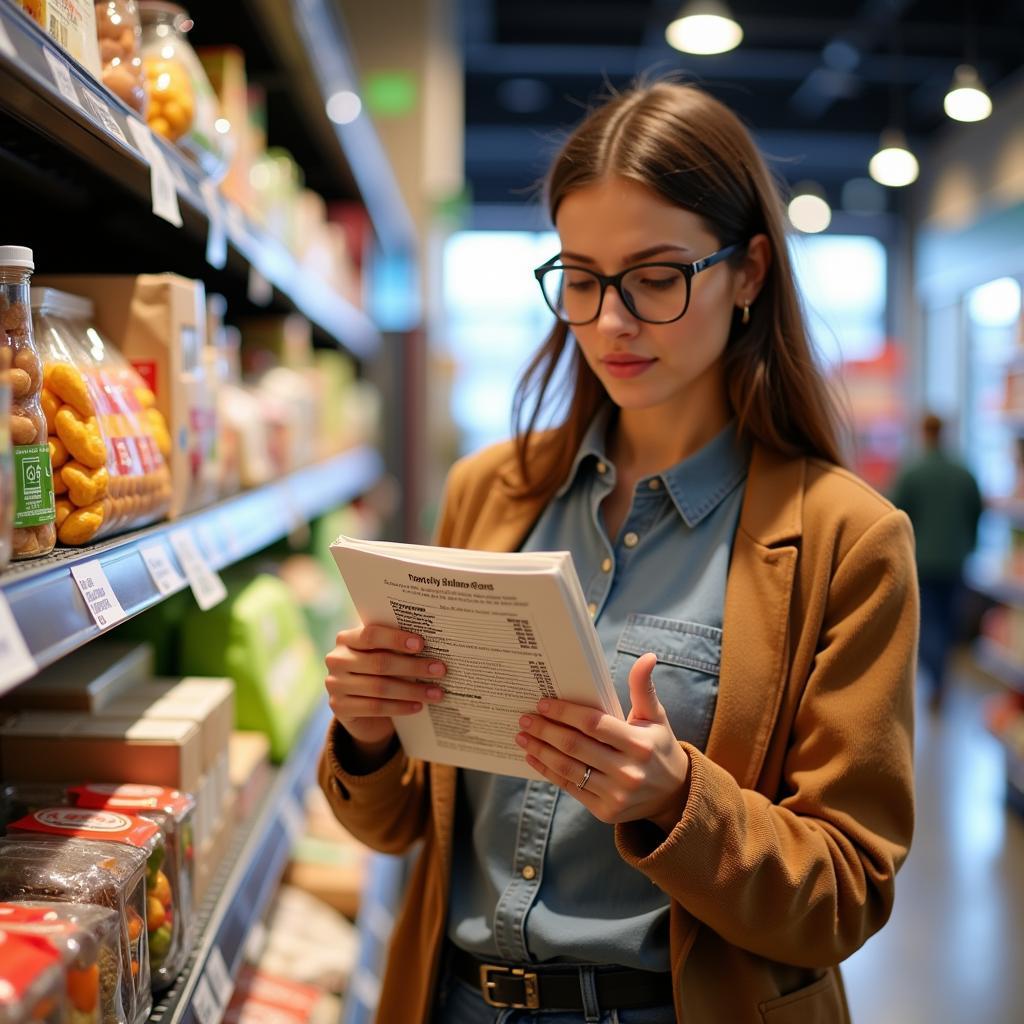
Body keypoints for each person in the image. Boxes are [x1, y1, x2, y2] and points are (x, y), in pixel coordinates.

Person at [319, 81, 918, 1024]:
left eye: (656, 276)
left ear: (750, 271)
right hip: (455, 999)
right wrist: (367, 727)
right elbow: (395, 828)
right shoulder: (491, 492)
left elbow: (846, 892)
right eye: (583, 278)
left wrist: (680, 800)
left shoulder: (849, 539)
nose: (610, 322)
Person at [890, 412, 982, 711]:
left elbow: (895, 515)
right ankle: (941, 677)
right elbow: (976, 512)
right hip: (956, 559)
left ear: (924, 433)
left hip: (923, 560)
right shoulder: (964, 472)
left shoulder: (912, 472)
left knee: (928, 623)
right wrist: (968, 544)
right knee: (949, 620)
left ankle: (936, 678)